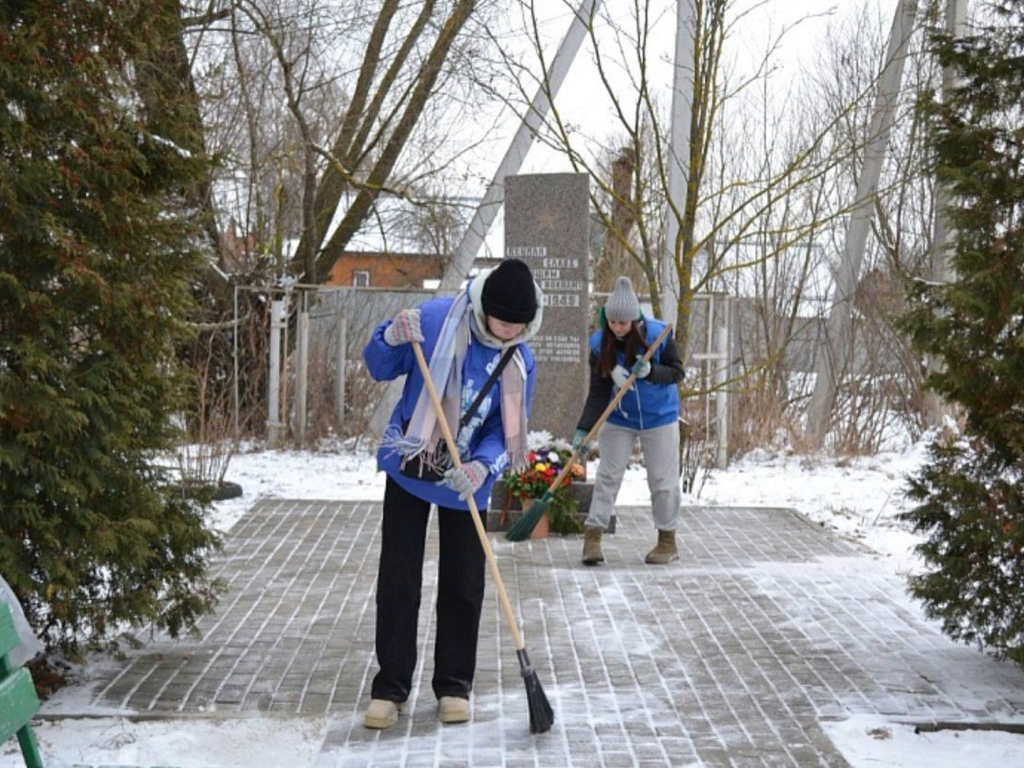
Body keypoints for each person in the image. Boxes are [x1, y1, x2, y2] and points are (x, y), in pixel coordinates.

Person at [361, 259, 542, 729]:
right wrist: (389, 337)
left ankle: (454, 685)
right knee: (399, 578)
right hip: (412, 465)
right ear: (485, 310)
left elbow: (508, 431)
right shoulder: (437, 320)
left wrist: (484, 466)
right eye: (503, 326)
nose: (509, 335)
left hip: (467, 483)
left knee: (464, 583)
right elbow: (379, 366)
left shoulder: (520, 359)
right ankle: (391, 686)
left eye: (519, 328)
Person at [572, 276, 685, 566]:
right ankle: (593, 536)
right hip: (619, 417)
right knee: (608, 476)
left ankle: (667, 540)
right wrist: (584, 430)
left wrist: (651, 373)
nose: (618, 327)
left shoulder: (659, 335)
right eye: (613, 322)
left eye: (623, 322)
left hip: (660, 418)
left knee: (662, 480)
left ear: (635, 319)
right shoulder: (600, 344)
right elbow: (598, 392)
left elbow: (676, 373)